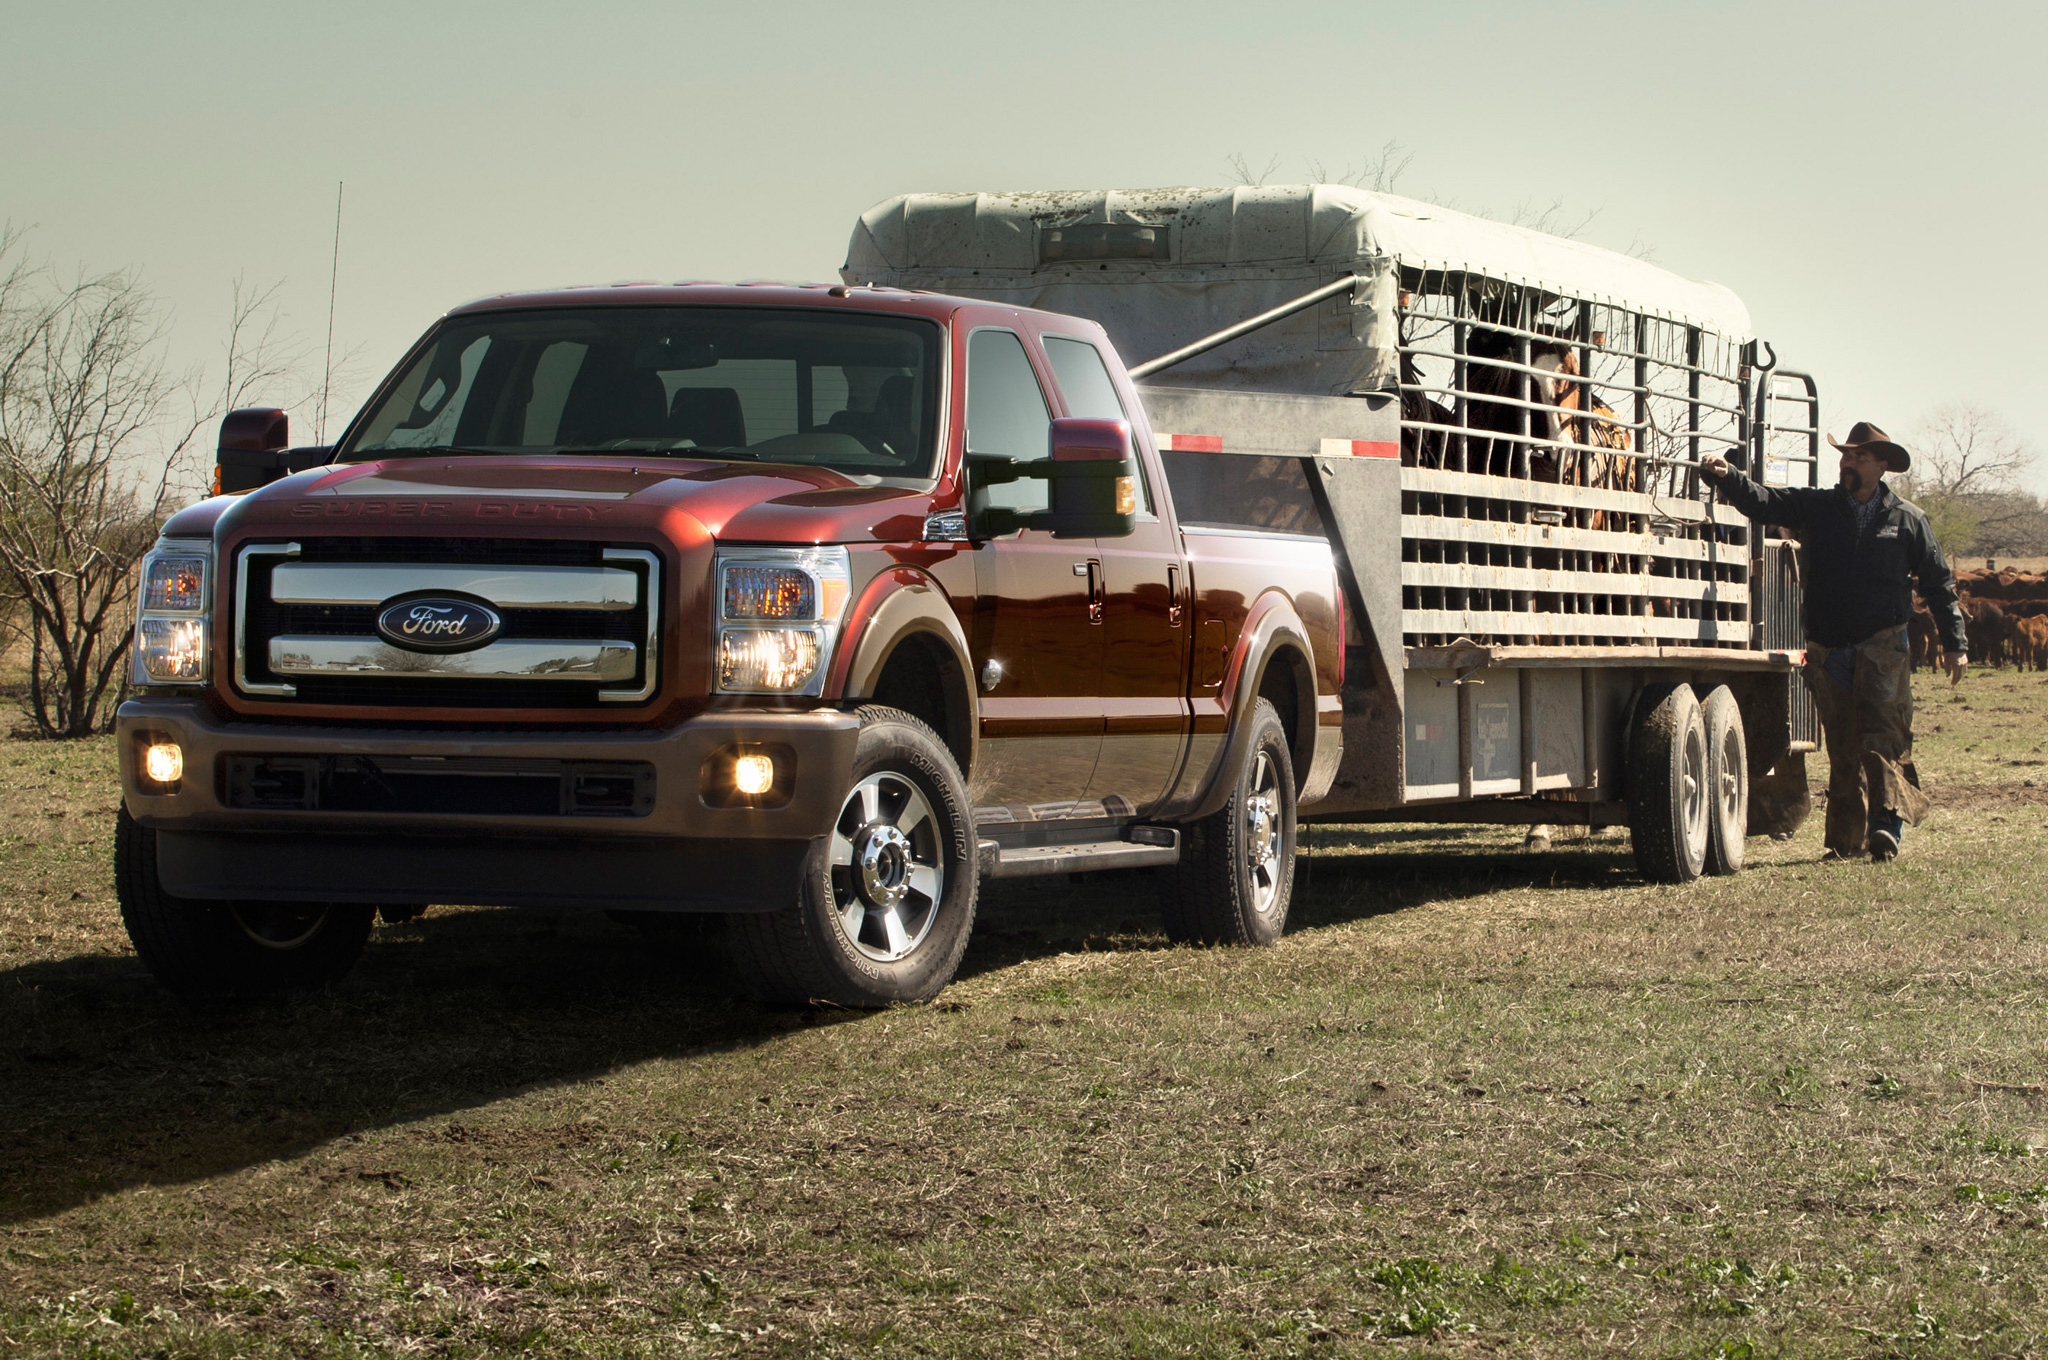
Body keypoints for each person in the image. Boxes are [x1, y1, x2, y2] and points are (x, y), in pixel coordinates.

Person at [1699, 423, 1967, 863]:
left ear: (1882, 466)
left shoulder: (1908, 519)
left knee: (1883, 738)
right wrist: (1728, 476)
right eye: (1845, 456)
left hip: (1883, 645)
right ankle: (1846, 843)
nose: (1848, 463)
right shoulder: (1818, 507)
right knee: (1843, 747)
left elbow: (1939, 582)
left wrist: (1954, 641)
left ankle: (1886, 827)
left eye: (1859, 458)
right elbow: (1765, 503)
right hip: (1829, 648)